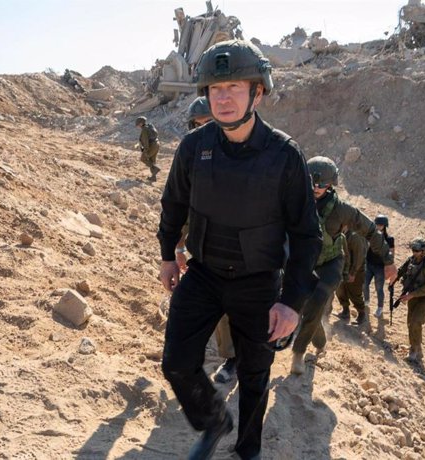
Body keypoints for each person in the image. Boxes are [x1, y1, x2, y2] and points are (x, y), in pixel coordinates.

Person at [157, 39, 322, 460]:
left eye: (234, 87)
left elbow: (306, 234)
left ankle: (247, 451)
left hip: (258, 283)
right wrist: (166, 255)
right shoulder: (195, 148)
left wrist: (291, 303)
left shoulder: (284, 155)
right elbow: (174, 203)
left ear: (258, 91)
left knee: (253, 376)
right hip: (205, 274)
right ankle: (214, 421)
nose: (224, 98)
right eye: (215, 89)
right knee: (176, 362)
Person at [290, 156, 395, 375]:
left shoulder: (342, 210)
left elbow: (370, 231)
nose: (315, 188)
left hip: (330, 264)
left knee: (316, 300)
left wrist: (388, 260)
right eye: (311, 183)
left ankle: (298, 353)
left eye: (321, 184)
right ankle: (319, 341)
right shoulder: (293, 200)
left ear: (330, 185)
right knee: (304, 306)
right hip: (303, 261)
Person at [176, 97, 235, 383]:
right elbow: (180, 208)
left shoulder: (246, 156)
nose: (204, 131)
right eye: (197, 126)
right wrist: (176, 247)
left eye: (208, 124)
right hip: (205, 250)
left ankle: (239, 356)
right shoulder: (192, 161)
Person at [392, 238, 425, 364]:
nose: (414, 252)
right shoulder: (412, 260)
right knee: (410, 323)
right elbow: (402, 271)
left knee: (415, 321)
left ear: (423, 250)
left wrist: (411, 295)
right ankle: (416, 347)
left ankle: (414, 350)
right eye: (413, 249)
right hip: (414, 296)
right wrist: (394, 279)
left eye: (417, 250)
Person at [364, 214, 394, 318]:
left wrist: (388, 269)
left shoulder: (389, 239)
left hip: (380, 267)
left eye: (380, 225)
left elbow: (391, 254)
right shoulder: (371, 235)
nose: (378, 226)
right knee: (364, 284)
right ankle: (366, 301)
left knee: (379, 289)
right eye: (377, 224)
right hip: (369, 264)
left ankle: (380, 308)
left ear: (385, 226)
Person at [336, 226, 368, 324]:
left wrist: (353, 273)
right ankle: (345, 310)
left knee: (355, 292)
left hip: (356, 270)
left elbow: (359, 257)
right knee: (340, 290)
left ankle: (362, 314)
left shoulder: (355, 236)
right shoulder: (339, 233)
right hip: (343, 268)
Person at [136, 116, 161, 181]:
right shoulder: (150, 126)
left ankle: (155, 168)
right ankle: (153, 177)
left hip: (152, 145)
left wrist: (145, 151)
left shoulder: (144, 129)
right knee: (152, 160)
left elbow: (146, 141)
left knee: (143, 158)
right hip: (157, 143)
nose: (137, 126)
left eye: (138, 124)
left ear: (141, 123)